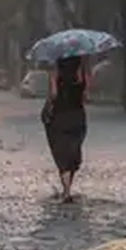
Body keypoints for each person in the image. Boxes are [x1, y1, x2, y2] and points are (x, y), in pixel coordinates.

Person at [42, 55, 89, 203]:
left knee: (62, 155)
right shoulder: (80, 78)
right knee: (73, 154)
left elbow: (54, 96)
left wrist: (52, 80)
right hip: (78, 120)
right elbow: (85, 97)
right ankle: (68, 189)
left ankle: (66, 191)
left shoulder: (58, 78)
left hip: (60, 120)